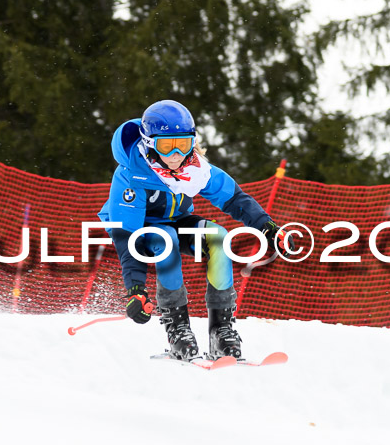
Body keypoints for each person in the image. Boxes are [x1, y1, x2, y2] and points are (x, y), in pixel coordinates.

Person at [98, 100, 292, 360]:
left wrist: (268, 228)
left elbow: (235, 199)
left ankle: (220, 330)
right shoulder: (131, 174)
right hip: (138, 229)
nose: (176, 154)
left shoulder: (195, 169)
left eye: (184, 144)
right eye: (167, 146)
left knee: (219, 238)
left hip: (177, 221)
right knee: (165, 241)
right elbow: (127, 238)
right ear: (149, 144)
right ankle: (177, 328)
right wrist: (136, 289)